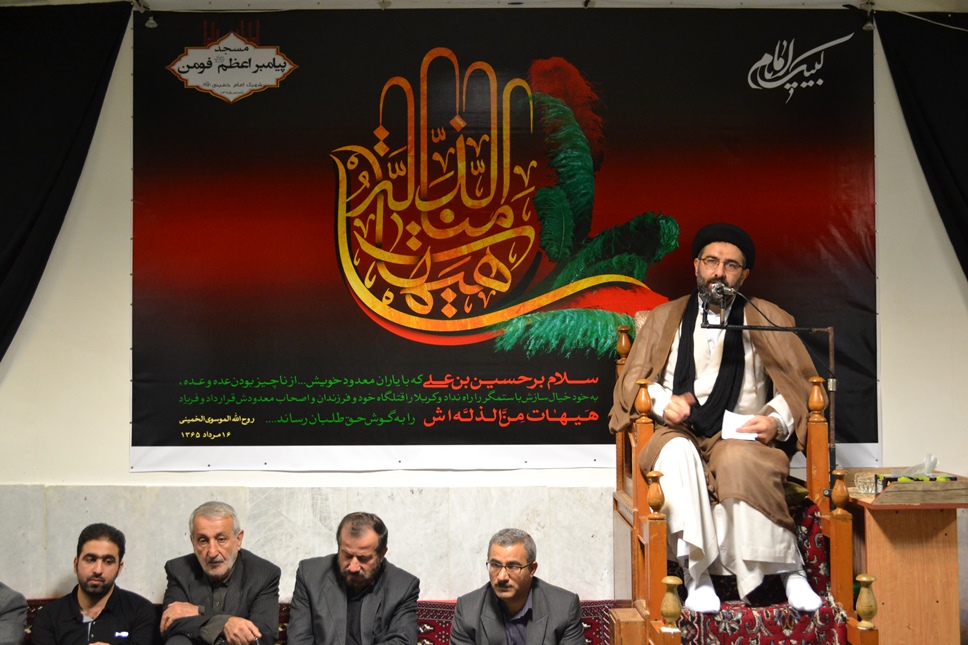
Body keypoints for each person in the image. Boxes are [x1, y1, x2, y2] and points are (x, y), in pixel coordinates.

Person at [609, 222, 824, 614]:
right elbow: (631, 384)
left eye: (730, 265)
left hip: (740, 432)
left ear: (744, 274)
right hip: (677, 430)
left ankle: (788, 573)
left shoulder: (768, 317)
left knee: (740, 459)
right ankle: (698, 577)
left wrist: (775, 420)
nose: (719, 272)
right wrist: (661, 402)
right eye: (711, 261)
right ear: (696, 266)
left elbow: (802, 387)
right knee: (677, 456)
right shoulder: (664, 318)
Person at [287, 512, 419, 645]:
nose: (353, 567)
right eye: (347, 555)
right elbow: (299, 640)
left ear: (382, 554)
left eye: (363, 558)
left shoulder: (403, 586)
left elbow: (403, 642)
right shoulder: (310, 575)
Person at [160, 502, 280, 645]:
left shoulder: (263, 574)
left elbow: (262, 637)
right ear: (193, 543)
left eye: (221, 539)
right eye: (203, 541)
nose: (212, 552)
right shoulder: (179, 569)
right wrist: (224, 624)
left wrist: (199, 611)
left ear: (238, 539)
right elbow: (170, 623)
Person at [449, 528, 585, 645]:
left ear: (532, 569)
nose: (502, 577)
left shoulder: (564, 608)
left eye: (513, 566)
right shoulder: (467, 610)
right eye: (495, 565)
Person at [31, 523, 157, 645]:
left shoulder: (141, 611)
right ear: (76, 564)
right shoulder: (48, 617)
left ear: (119, 568)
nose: (98, 570)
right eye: (90, 560)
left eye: (108, 561)